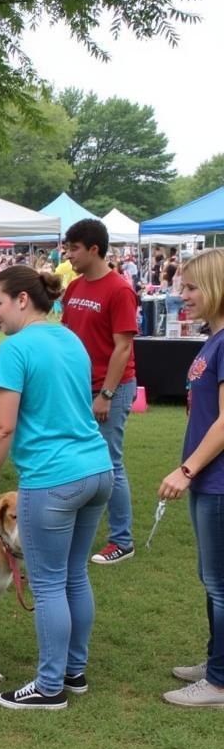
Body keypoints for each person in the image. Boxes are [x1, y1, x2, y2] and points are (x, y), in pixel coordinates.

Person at [0, 266, 112, 710]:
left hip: (53, 478)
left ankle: (49, 686)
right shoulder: (71, 338)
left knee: (48, 583)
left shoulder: (15, 348)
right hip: (97, 469)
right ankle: (73, 671)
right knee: (73, 575)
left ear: (23, 301)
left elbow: (2, 427)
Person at [158, 249, 224, 707]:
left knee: (219, 583)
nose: (184, 296)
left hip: (217, 481)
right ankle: (216, 661)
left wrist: (187, 469)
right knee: (212, 579)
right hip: (209, 480)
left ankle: (219, 682)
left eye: (192, 287)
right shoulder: (212, 339)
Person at [62, 218, 139, 566]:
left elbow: (123, 348)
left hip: (111, 388)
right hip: (79, 388)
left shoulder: (119, 289)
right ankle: (77, 527)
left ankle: (122, 539)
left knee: (110, 463)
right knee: (79, 458)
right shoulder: (74, 288)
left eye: (74, 248)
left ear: (94, 249)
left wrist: (106, 395)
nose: (68, 254)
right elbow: (68, 337)